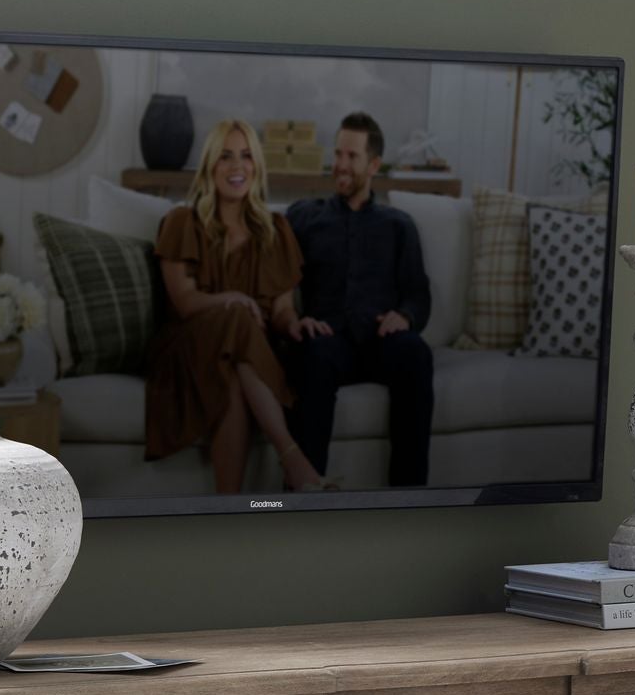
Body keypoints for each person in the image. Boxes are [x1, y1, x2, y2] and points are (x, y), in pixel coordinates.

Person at [144, 118, 328, 493]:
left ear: (257, 166)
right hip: (187, 347)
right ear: (210, 166)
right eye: (225, 156)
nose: (237, 166)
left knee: (231, 369)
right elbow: (184, 301)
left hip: (243, 355)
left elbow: (280, 311)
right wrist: (230, 299)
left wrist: (295, 324)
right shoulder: (183, 221)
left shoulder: (275, 230)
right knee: (238, 319)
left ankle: (225, 509)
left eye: (246, 156)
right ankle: (293, 458)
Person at [282, 112, 434, 486]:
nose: (341, 166)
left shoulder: (398, 225)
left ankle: (407, 497)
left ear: (374, 164)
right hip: (329, 341)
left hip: (380, 339)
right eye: (338, 155)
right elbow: (278, 279)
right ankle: (304, 496)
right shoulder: (304, 217)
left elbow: (418, 292)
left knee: (416, 353)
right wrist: (292, 319)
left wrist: (406, 316)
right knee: (312, 356)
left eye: (351, 157)